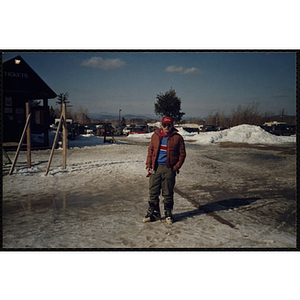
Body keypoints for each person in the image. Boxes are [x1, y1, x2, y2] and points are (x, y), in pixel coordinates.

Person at [143, 116, 186, 224]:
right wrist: (148, 165)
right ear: (161, 125)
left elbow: (182, 154)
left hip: (169, 168)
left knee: (167, 192)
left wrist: (175, 168)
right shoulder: (155, 136)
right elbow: (150, 150)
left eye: (169, 125)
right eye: (164, 125)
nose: (166, 127)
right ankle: (154, 213)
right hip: (155, 168)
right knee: (153, 190)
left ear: (172, 125)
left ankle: (168, 214)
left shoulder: (178, 138)